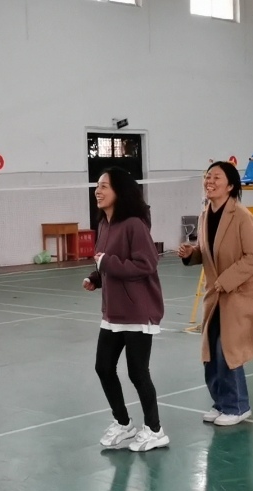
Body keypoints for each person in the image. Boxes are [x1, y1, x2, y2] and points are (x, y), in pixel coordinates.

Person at [82, 167, 169, 452]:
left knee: (137, 372)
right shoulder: (104, 225)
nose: (98, 191)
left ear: (119, 191)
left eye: (104, 186)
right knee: (103, 367)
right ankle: (123, 423)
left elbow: (147, 264)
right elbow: (107, 261)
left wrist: (106, 264)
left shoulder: (134, 224)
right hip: (113, 312)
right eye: (97, 186)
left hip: (138, 311)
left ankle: (155, 430)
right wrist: (96, 277)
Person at [178, 161, 253, 426]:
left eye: (216, 178)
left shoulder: (242, 217)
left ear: (230, 186)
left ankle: (238, 406)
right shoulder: (205, 215)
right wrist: (191, 254)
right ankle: (220, 403)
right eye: (208, 177)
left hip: (240, 295)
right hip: (216, 295)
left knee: (227, 351)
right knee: (210, 350)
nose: (210, 182)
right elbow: (208, 253)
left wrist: (227, 280)